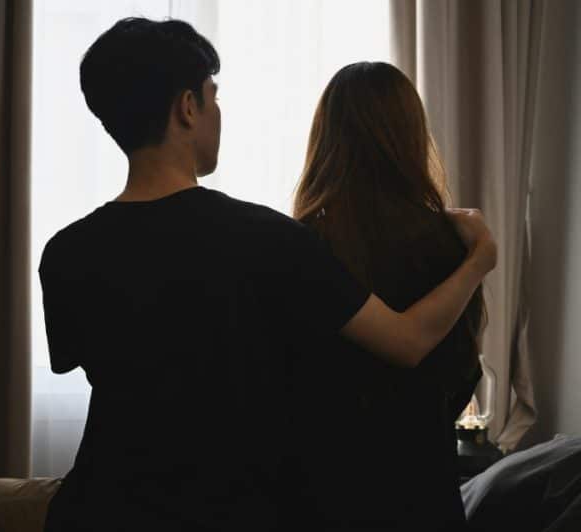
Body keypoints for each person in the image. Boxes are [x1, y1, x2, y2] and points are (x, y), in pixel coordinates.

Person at [38, 18, 496, 532]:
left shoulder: (65, 252)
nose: (217, 112)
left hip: (94, 509)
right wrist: (478, 258)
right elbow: (407, 342)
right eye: (213, 97)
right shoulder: (268, 240)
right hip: (226, 511)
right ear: (187, 108)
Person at [285, 61, 487, 532]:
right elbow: (463, 369)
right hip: (421, 489)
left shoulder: (300, 243)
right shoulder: (453, 244)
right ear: (411, 136)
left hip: (322, 492)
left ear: (327, 140)